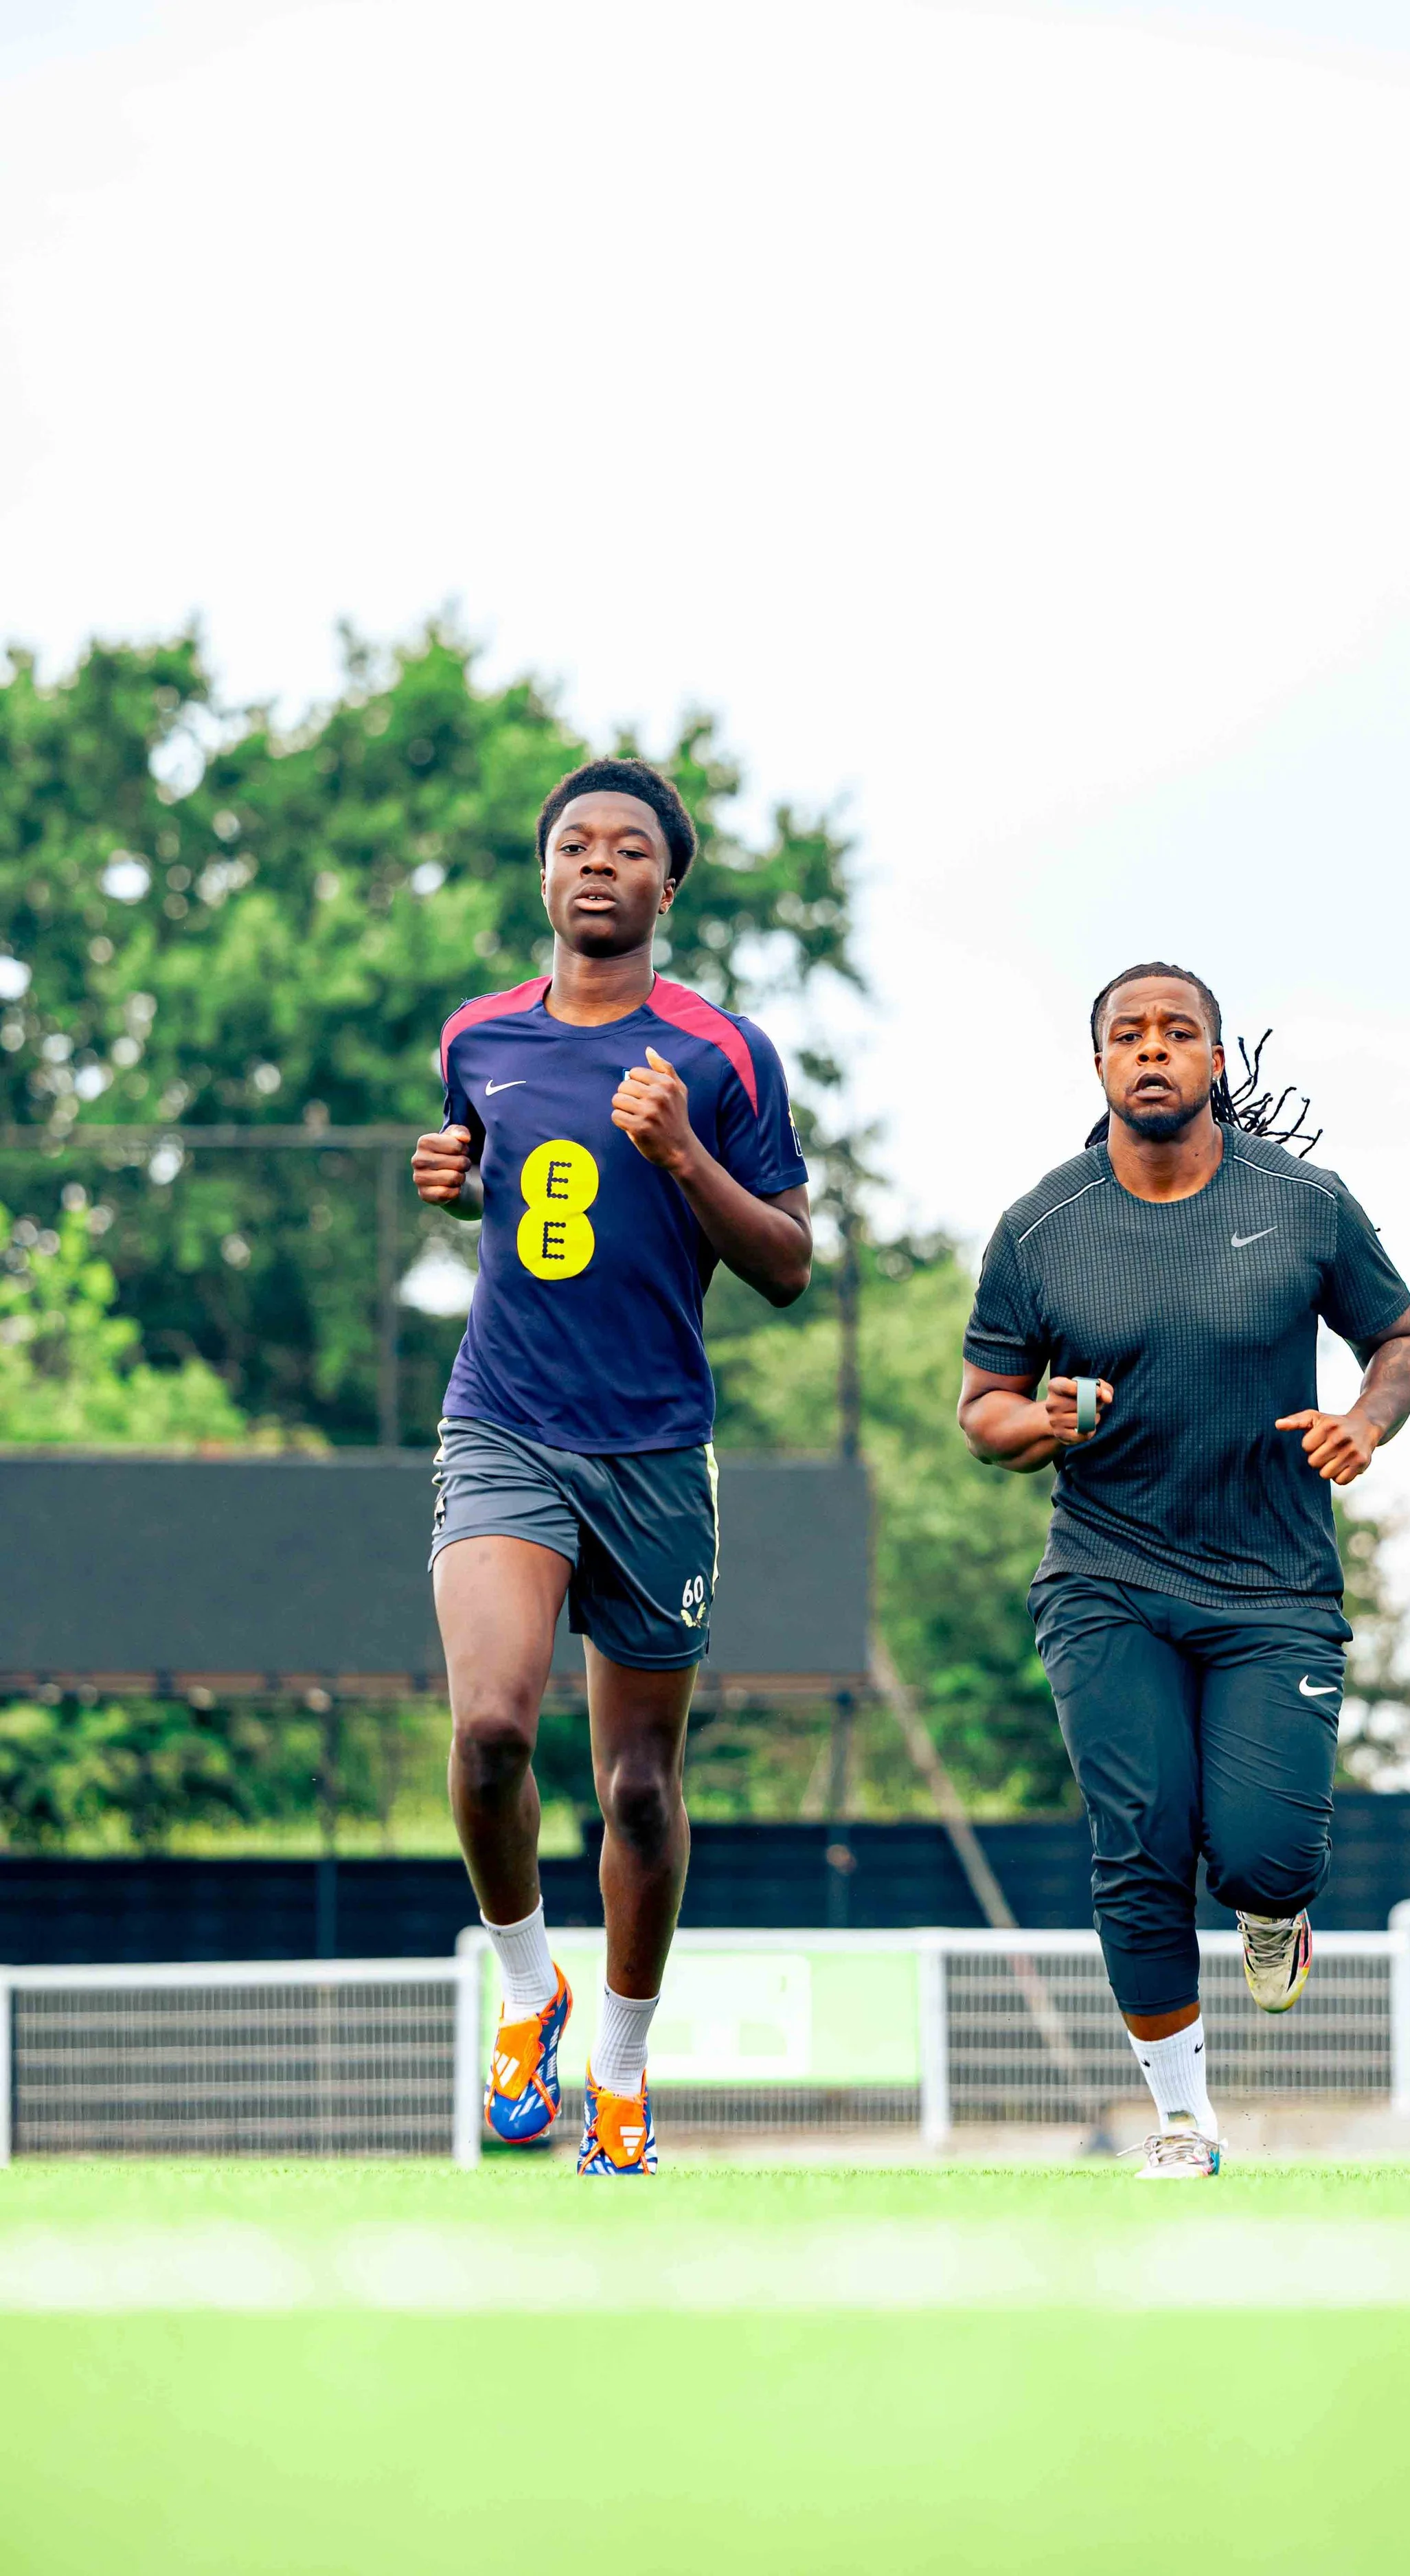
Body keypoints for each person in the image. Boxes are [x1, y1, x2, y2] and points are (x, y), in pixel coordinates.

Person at [958, 962, 1410, 2176]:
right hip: (1106, 1578)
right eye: (1130, 1035)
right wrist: (1045, 1416)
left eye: (1179, 1033)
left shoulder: (1307, 1203)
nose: (1154, 1050)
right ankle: (1182, 2119)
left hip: (1273, 1587)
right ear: (1101, 1065)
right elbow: (982, 1412)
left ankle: (1276, 1910)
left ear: (1217, 1060)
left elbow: (1400, 1337)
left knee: (1263, 1852)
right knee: (1142, 1834)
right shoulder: (1041, 1229)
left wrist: (1366, 1423)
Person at [411, 758, 811, 2171]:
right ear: (544, 876)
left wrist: (687, 1153)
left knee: (638, 1786)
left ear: (665, 884)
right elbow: (524, 1201)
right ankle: (528, 1993)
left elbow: (785, 1264)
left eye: (627, 848)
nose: (596, 864)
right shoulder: (475, 1039)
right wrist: (455, 1185)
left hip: (653, 1448)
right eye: (572, 844)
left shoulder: (723, 1054)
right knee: (492, 1734)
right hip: (504, 1420)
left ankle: (623, 2076)